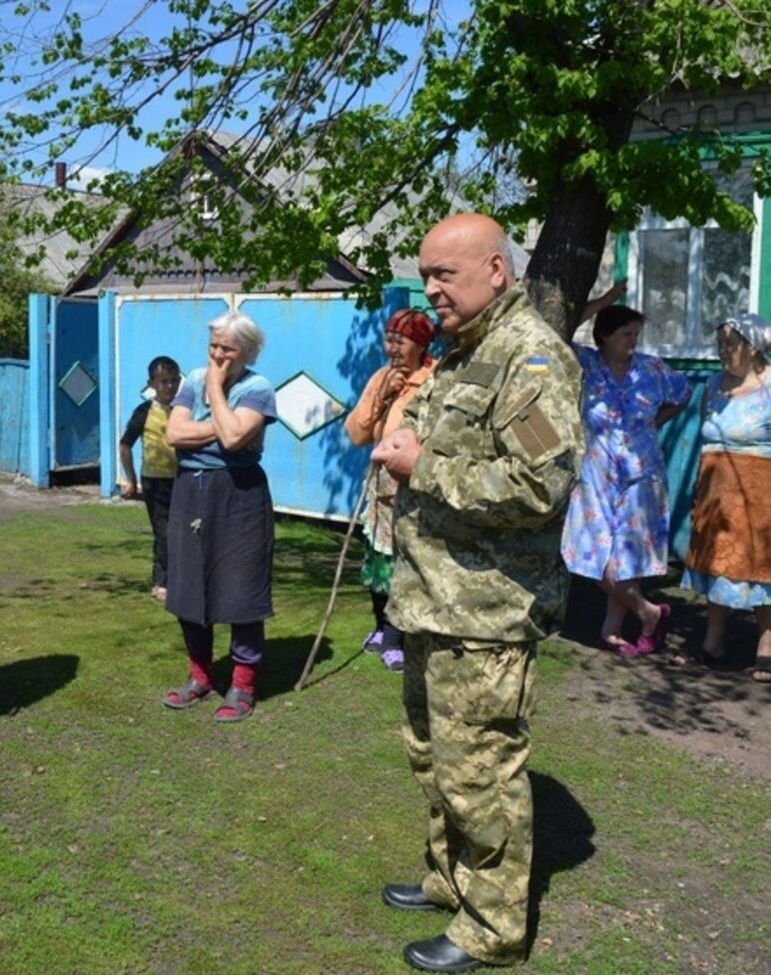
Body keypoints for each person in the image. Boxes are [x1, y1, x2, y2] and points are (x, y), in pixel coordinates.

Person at [371, 213, 583, 972]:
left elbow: (539, 485)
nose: (429, 289)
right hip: (433, 598)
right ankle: (450, 877)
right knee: (434, 758)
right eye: (425, 274)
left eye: (443, 275)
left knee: (481, 772)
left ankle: (492, 925)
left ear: (496, 270)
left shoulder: (530, 358)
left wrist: (420, 464)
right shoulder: (466, 352)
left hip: (486, 612)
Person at [161, 311, 276, 722]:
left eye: (226, 348)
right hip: (191, 491)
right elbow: (174, 434)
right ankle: (200, 677)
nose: (216, 354)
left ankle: (242, 685)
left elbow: (232, 438)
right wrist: (227, 424)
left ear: (245, 351)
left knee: (242, 587)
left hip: (239, 493)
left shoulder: (258, 387)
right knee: (189, 584)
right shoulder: (192, 379)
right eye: (213, 346)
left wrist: (214, 395)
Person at [560, 305, 691, 656]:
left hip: (642, 474)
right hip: (596, 475)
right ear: (603, 335)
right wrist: (605, 298)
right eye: (625, 334)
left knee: (626, 558)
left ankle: (612, 629)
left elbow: (684, 392)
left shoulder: (651, 368)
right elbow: (559, 326)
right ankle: (648, 612)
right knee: (589, 553)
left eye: (636, 333)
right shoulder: (586, 364)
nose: (633, 341)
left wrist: (655, 422)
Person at [677, 313, 771, 681]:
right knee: (716, 565)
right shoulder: (714, 384)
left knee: (763, 569)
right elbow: (707, 436)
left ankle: (767, 646)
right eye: (720, 345)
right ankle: (713, 643)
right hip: (716, 492)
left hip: (760, 495)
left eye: (730, 344)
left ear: (754, 347)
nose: (723, 352)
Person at [343, 308, 437, 672]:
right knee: (379, 559)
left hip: (415, 484)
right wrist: (382, 395)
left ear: (421, 343)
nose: (393, 347)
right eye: (389, 339)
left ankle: (398, 637)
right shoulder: (382, 377)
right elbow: (357, 434)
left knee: (406, 560)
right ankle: (381, 627)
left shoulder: (435, 378)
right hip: (380, 482)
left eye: (401, 340)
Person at [119, 355, 182, 600]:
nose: (169, 386)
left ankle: (184, 577)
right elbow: (125, 445)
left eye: (174, 381)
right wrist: (131, 480)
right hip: (155, 481)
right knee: (163, 530)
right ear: (152, 383)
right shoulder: (145, 412)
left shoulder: (185, 410)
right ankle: (161, 581)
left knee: (185, 530)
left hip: (182, 479)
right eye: (164, 381)